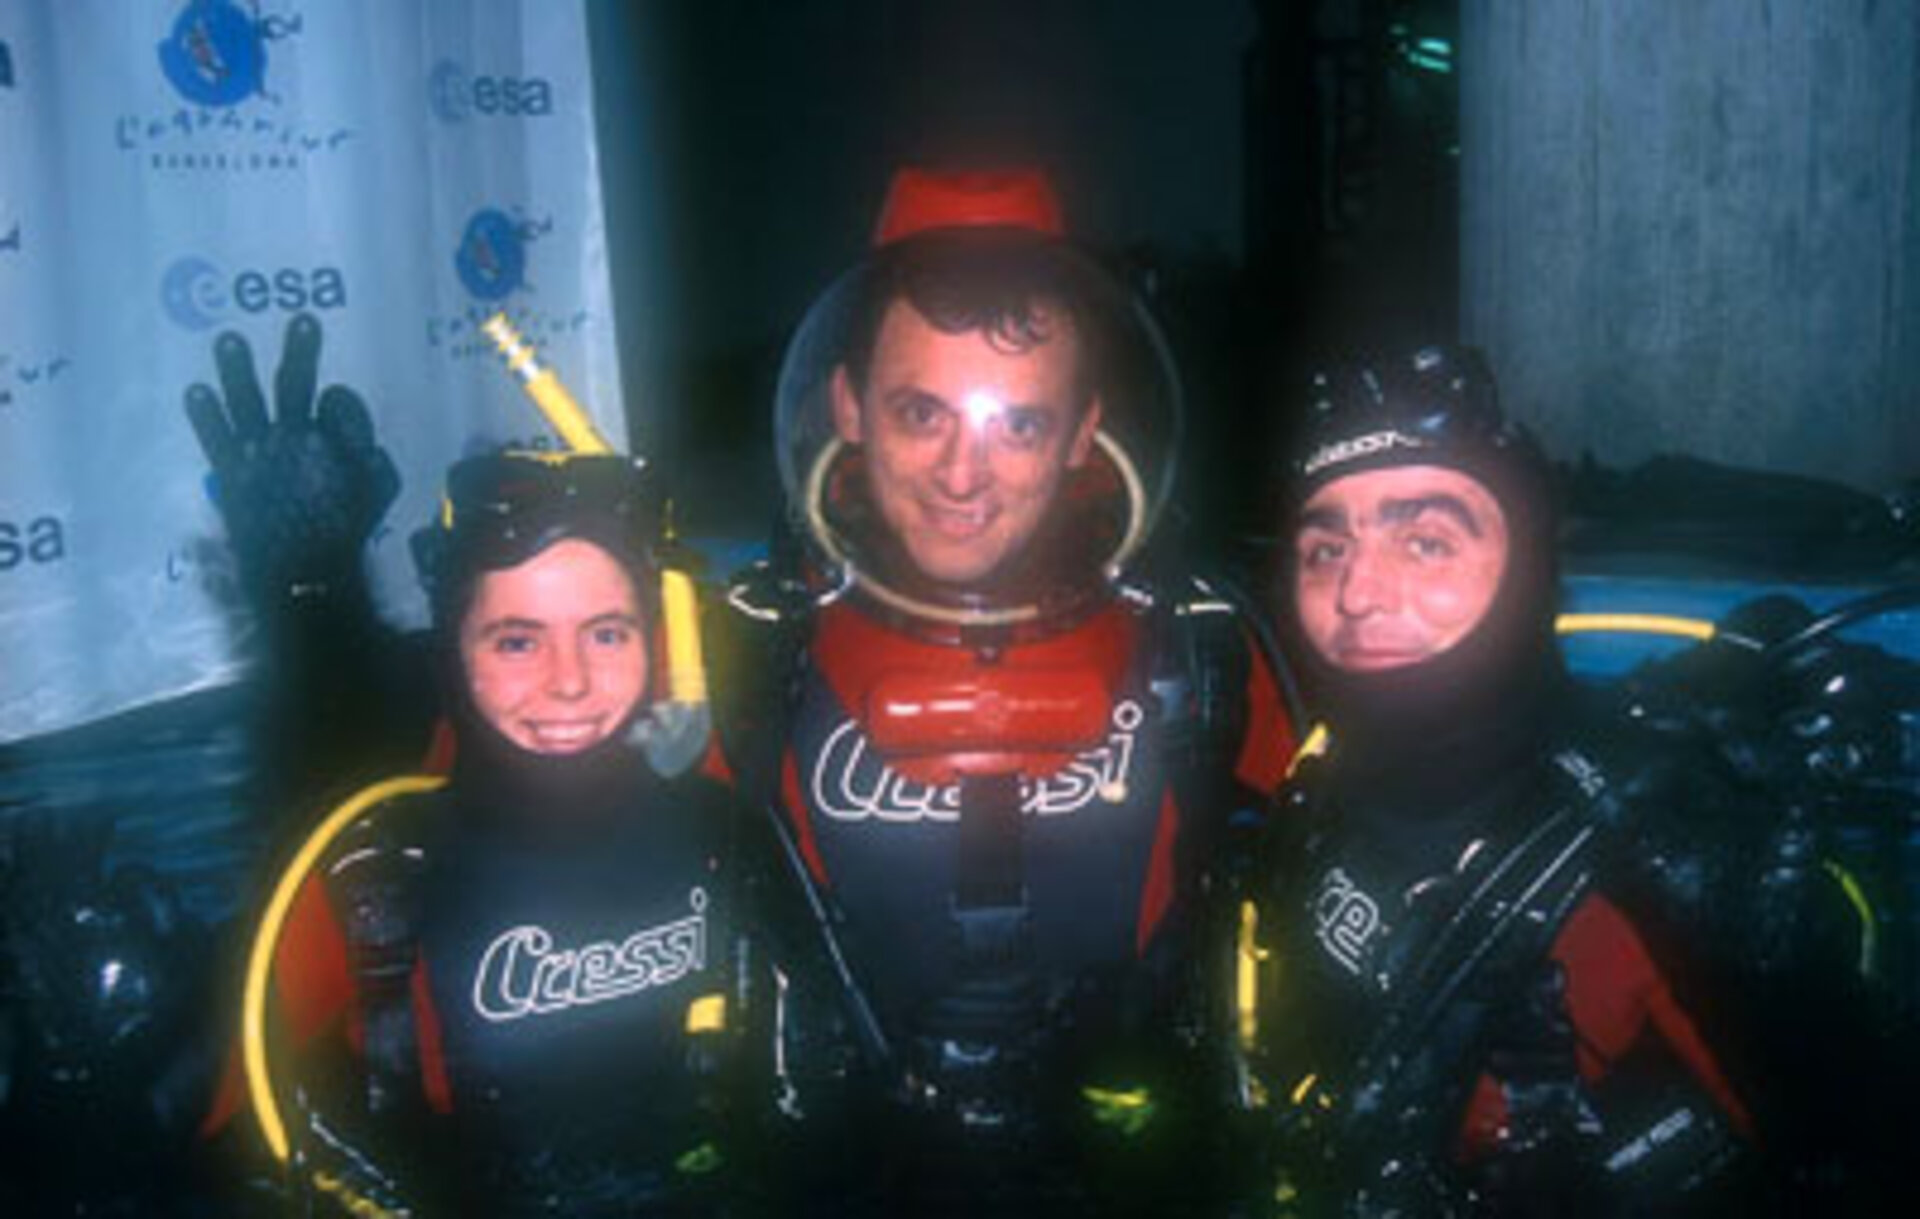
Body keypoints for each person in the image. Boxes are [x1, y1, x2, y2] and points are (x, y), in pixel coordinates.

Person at [713, 168, 1298, 1214]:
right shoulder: (742, 652)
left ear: (1084, 433)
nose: (962, 473)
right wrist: (333, 608)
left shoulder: (1203, 647)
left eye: (1018, 424)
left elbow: (1397, 853)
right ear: (848, 406)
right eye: (920, 410)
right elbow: (490, 858)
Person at [1229, 344, 1806, 1216]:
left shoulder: (1664, 847)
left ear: (1529, 569)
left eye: (1425, 541)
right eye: (1324, 547)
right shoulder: (1306, 778)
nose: (1356, 594)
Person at [203, 451, 751, 1217]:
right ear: (453, 650)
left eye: (606, 633)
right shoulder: (376, 866)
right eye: (516, 641)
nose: (569, 682)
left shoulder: (727, 816)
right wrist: (314, 619)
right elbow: (237, 1136)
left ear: (654, 640)